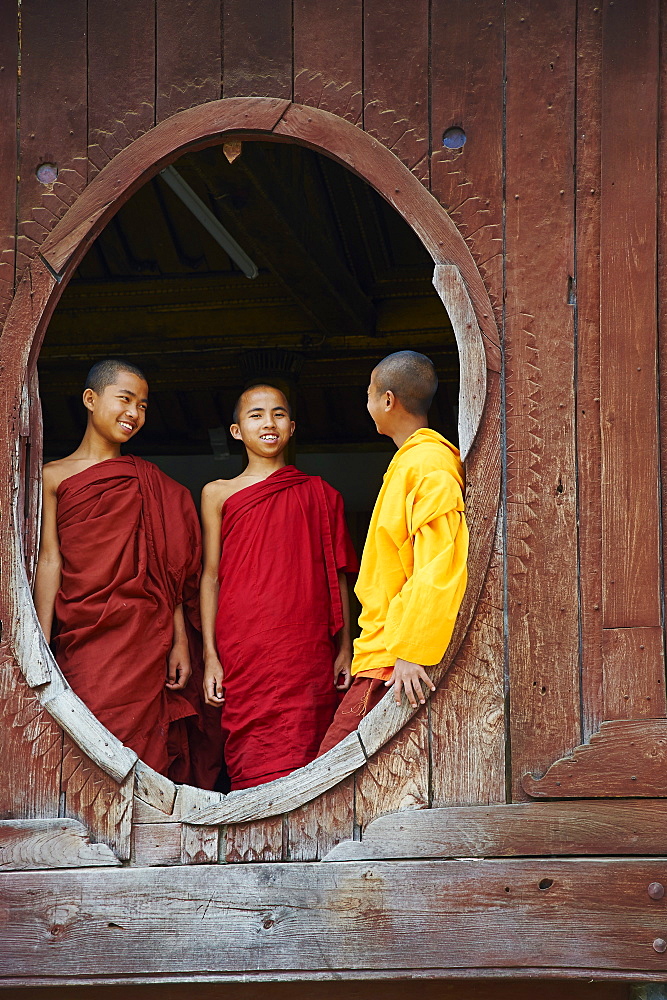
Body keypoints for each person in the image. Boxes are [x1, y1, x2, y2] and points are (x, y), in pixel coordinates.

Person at [33, 358, 221, 786]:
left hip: (142, 634)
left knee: (143, 754)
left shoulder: (149, 483)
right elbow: (50, 559)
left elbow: (168, 572)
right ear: (90, 399)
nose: (134, 413)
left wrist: (179, 642)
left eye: (143, 404)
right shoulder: (53, 476)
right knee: (83, 744)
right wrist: (41, 643)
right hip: (81, 635)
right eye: (125, 399)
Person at [200, 383, 358, 790]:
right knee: (253, 752)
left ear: (292, 427)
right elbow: (211, 575)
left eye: (278, 414)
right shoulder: (217, 493)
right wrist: (211, 656)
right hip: (243, 645)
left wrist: (346, 646)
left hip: (303, 648)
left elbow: (337, 573)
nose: (268, 423)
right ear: (237, 431)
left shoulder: (321, 494)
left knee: (309, 751)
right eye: (255, 415)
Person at [318, 351, 468, 755]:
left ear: (387, 400)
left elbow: (440, 562)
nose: (366, 405)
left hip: (394, 661)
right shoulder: (410, 463)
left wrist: (411, 651)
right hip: (381, 651)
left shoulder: (429, 464)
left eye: (368, 394)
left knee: (333, 778)